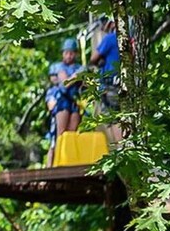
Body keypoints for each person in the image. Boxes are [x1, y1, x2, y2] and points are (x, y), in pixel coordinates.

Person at [44, 38, 84, 166]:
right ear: (63, 53)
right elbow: (64, 84)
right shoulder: (58, 67)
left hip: (75, 102)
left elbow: (84, 84)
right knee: (59, 135)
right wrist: (76, 77)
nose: (69, 55)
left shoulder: (79, 67)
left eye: (71, 53)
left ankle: (66, 162)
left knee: (71, 134)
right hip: (63, 102)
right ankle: (51, 165)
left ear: (76, 54)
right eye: (66, 53)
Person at [90, 16, 123, 143]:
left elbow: (94, 58)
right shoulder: (129, 39)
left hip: (110, 85)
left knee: (113, 119)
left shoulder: (109, 38)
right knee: (124, 116)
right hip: (124, 82)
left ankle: (122, 151)